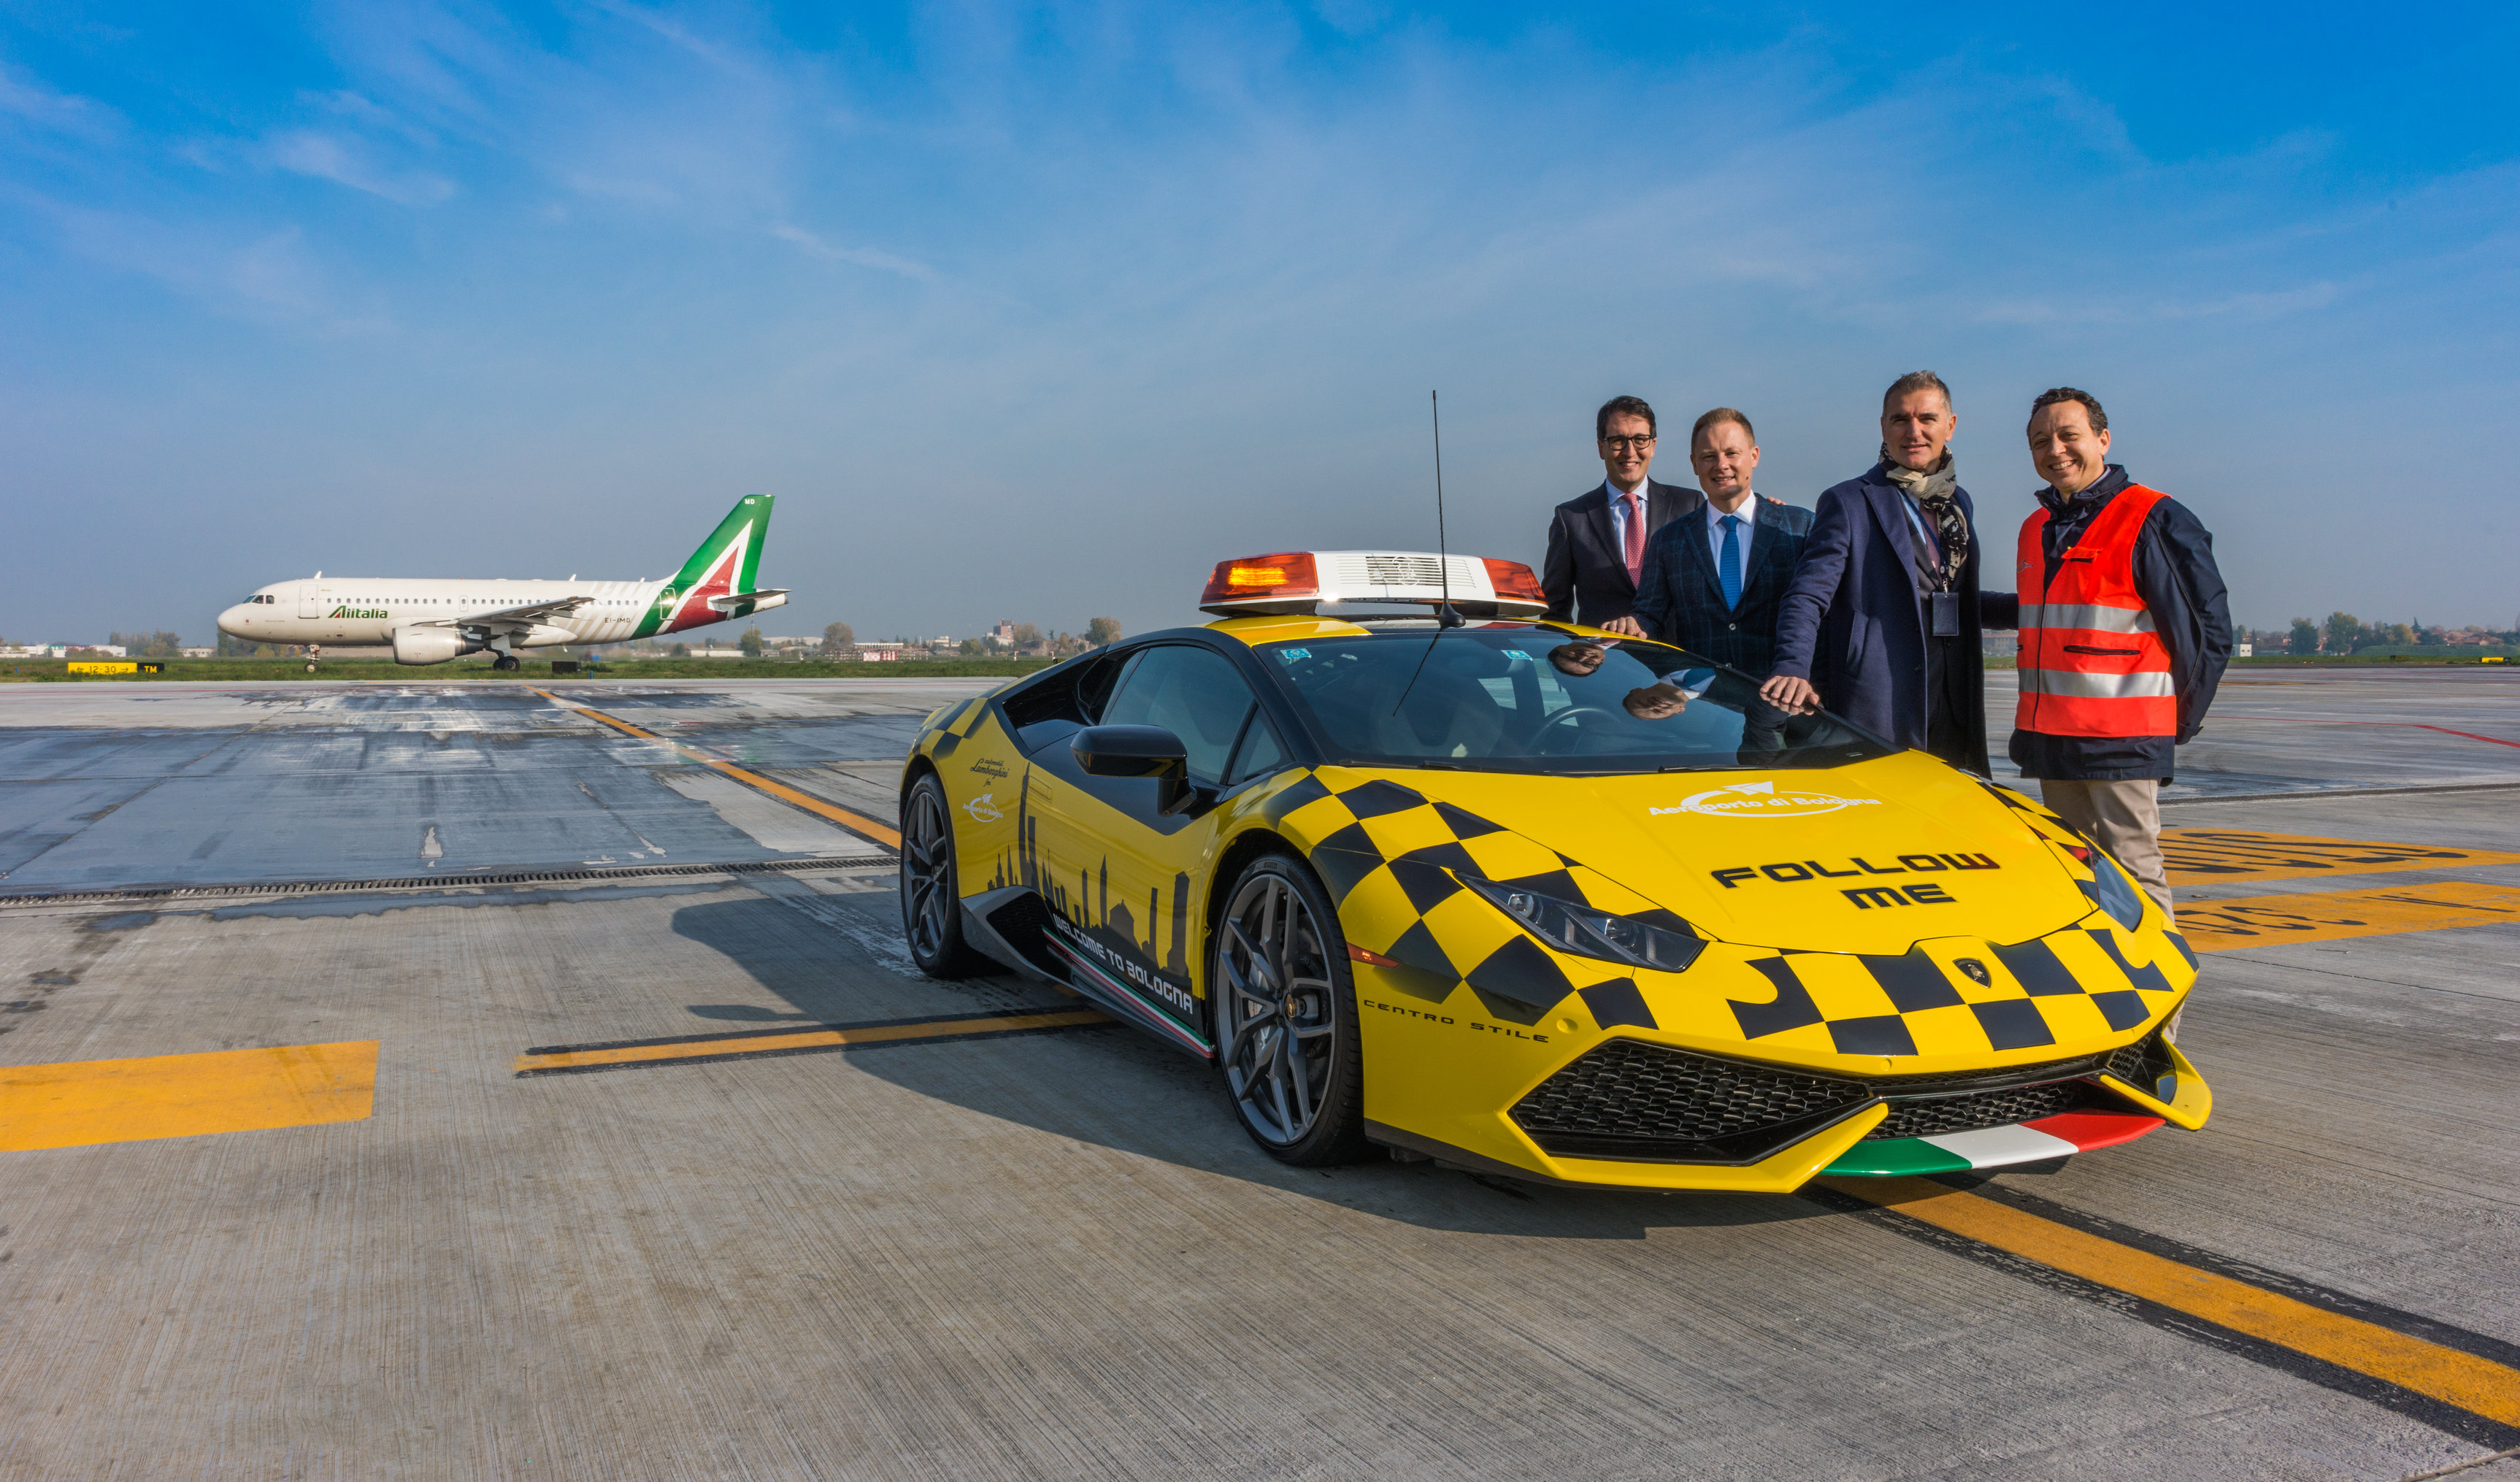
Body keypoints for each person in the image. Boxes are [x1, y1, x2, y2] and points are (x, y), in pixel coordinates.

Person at [2007, 387, 2231, 920]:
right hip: (2052, 738)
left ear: (2103, 439)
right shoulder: (2036, 528)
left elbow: (2207, 632)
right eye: (2041, 441)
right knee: (2074, 877)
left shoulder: (2152, 517)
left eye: (2069, 435)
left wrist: (2174, 724)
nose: (2055, 450)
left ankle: (2158, 978)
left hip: (2122, 741)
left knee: (2133, 872)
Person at [1762, 371, 2005, 772]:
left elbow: (1951, 596)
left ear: (1950, 426)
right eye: (1900, 419)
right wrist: (1792, 665)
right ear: (1883, 426)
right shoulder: (1849, 501)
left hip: (1953, 698)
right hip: (1884, 698)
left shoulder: (1958, 502)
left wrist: (2038, 608)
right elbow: (1807, 594)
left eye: (1927, 419)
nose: (1914, 431)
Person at [1607, 407, 1814, 675]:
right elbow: (1650, 615)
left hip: (1784, 693)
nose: (1721, 465)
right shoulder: (1669, 541)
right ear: (1694, 463)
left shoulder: (1800, 528)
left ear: (1754, 456)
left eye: (1732, 453)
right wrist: (1634, 625)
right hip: (1704, 697)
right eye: (1709, 456)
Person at [1541, 396, 1697, 628]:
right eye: (1618, 441)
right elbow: (1554, 613)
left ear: (1653, 446)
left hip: (1674, 650)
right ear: (1601, 448)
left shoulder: (1689, 505)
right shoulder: (1571, 519)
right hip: (1601, 651)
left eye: (1640, 440)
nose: (1629, 451)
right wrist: (1569, 650)